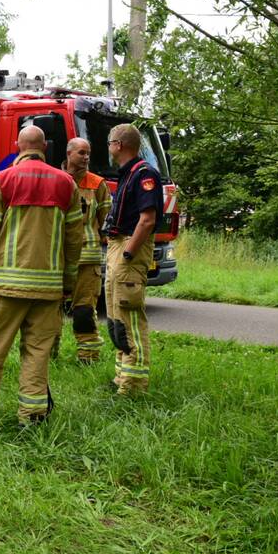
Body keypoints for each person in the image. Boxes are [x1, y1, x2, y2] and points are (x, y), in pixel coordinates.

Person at [0, 125, 83, 427]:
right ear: (45, 147)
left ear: (18, 146)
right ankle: (33, 416)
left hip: (5, 289)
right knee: (38, 355)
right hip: (48, 290)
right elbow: (74, 242)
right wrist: (68, 284)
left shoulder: (2, 181)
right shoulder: (67, 184)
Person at [103, 123, 163, 395]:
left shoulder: (144, 174)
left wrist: (128, 253)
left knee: (129, 315)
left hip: (129, 247)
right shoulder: (128, 173)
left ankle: (134, 385)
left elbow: (147, 220)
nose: (109, 148)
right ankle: (122, 378)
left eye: (110, 143)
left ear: (118, 145)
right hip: (117, 245)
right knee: (116, 317)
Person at [61, 137, 112, 363]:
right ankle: (48, 354)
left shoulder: (97, 184)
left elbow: (107, 223)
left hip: (87, 259)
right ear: (69, 154)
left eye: (88, 153)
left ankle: (88, 357)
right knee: (49, 311)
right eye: (81, 152)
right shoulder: (56, 179)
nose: (86, 157)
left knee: (84, 311)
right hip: (58, 257)